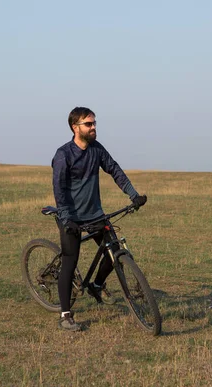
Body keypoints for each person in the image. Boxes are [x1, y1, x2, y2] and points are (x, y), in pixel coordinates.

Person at [52, 106, 147, 331]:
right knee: (69, 261)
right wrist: (67, 219)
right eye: (89, 124)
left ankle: (96, 284)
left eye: (94, 123)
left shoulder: (96, 149)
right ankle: (65, 315)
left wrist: (133, 194)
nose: (94, 127)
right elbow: (59, 190)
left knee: (114, 251)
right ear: (75, 128)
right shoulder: (63, 154)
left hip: (95, 214)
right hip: (71, 218)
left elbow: (114, 170)